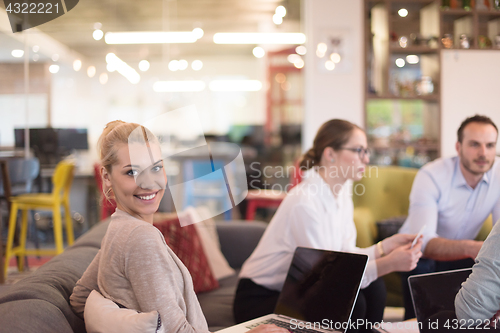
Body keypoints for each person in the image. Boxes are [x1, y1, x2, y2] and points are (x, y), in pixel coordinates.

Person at [69, 121, 287, 333]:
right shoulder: (140, 237)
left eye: (156, 168)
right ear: (107, 177)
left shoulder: (118, 228)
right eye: (132, 172)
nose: (149, 183)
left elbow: (80, 298)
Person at [233, 119, 423, 333]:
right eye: (359, 151)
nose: (366, 159)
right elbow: (327, 280)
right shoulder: (304, 201)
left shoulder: (341, 193)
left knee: (374, 287)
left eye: (367, 151)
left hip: (302, 287)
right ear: (330, 154)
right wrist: (386, 264)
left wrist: (384, 248)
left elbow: (345, 258)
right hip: (260, 297)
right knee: (352, 301)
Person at [399, 114, 500, 320]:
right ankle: (416, 323)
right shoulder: (431, 175)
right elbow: (424, 242)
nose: (483, 153)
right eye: (474, 144)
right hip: (419, 254)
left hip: (462, 255)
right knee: (419, 265)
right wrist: (473, 248)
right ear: (458, 147)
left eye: (490, 145)